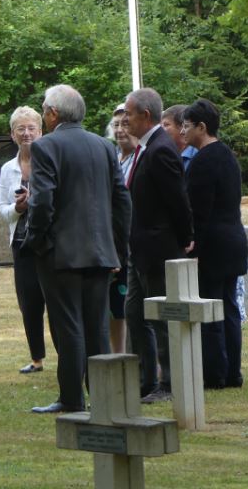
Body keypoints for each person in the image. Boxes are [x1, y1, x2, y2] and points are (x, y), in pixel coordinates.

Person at [24, 85, 131, 413]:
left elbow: (42, 201)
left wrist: (37, 240)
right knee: (97, 327)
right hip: (100, 252)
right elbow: (121, 200)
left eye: (44, 109)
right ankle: (102, 397)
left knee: (68, 326)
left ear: (53, 113)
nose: (44, 114)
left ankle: (71, 399)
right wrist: (118, 248)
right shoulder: (104, 146)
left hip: (61, 254)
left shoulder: (45, 146)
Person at [124, 87, 193, 403]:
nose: (124, 120)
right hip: (140, 249)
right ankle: (144, 380)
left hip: (158, 249)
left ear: (145, 115)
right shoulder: (146, 148)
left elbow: (178, 200)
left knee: (161, 319)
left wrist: (184, 238)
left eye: (129, 114)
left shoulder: (161, 149)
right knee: (135, 314)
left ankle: (170, 383)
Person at [180, 99, 248, 389]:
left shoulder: (203, 161)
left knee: (211, 308)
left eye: (187, 126)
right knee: (229, 307)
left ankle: (215, 373)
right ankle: (233, 371)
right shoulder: (228, 156)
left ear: (202, 127)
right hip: (234, 239)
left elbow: (199, 211)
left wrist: (193, 246)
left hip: (214, 244)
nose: (182, 131)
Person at [0, 106, 50, 374]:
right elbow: (2, 209)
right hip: (21, 243)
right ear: (12, 134)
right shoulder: (7, 169)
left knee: (56, 301)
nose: (27, 133)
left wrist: (36, 201)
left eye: (31, 128)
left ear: (41, 132)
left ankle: (68, 357)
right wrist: (18, 208)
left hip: (50, 242)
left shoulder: (51, 161)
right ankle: (36, 358)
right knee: (29, 303)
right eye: (21, 129)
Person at [105, 104, 135, 354]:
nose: (120, 130)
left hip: (132, 241)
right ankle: (118, 355)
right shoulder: (110, 156)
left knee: (130, 302)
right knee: (115, 303)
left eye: (125, 124)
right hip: (110, 240)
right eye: (116, 125)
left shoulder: (142, 157)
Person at [161, 104, 198, 171]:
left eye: (166, 125)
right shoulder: (163, 155)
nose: (161, 129)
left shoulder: (198, 156)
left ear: (183, 127)